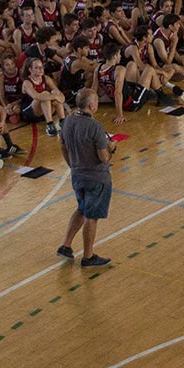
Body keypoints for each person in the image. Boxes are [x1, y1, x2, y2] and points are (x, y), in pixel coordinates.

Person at [57, 89, 117, 268]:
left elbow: (62, 145)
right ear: (91, 105)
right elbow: (104, 158)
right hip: (96, 177)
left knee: (81, 209)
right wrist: (111, 148)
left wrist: (72, 165)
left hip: (77, 175)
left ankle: (66, 245)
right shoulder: (95, 126)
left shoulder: (68, 121)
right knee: (91, 216)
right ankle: (88, 256)